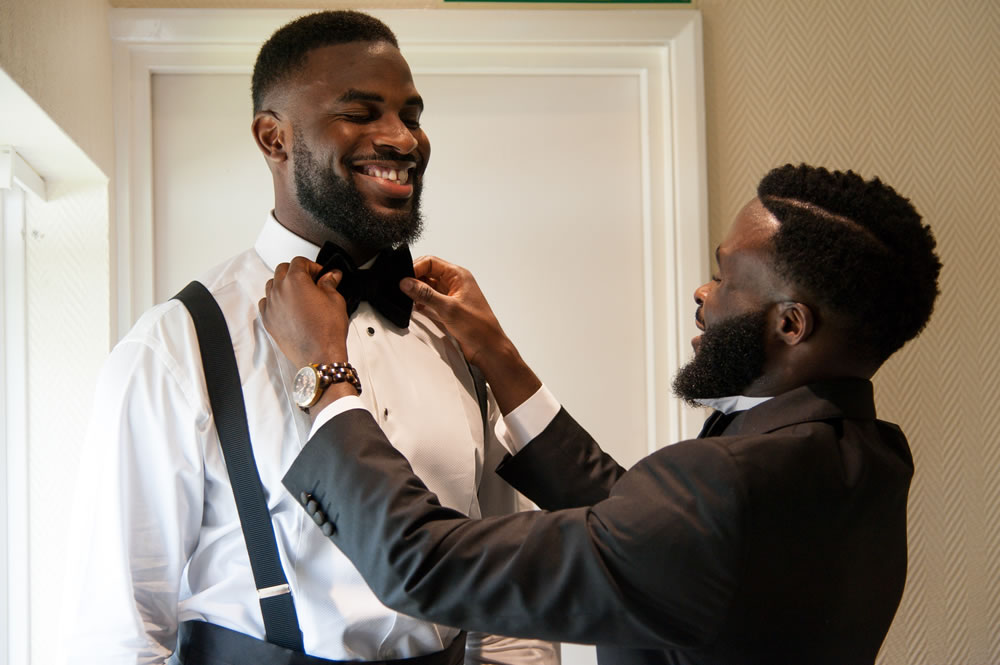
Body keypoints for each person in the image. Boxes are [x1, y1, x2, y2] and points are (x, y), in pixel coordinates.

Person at [260, 164, 942, 665]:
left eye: (727, 277)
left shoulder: (725, 489)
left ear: (792, 323)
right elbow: (642, 536)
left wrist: (325, 374)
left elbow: (423, 563)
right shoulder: (867, 457)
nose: (703, 293)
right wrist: (498, 353)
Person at [59, 10, 556, 665]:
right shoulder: (175, 348)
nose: (402, 138)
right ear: (274, 137)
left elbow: (508, 588)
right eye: (361, 110)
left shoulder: (455, 330)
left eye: (410, 114)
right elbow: (119, 632)